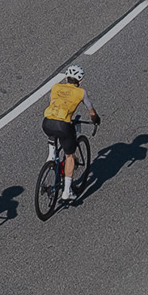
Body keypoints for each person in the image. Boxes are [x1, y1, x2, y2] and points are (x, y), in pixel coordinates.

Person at [42, 65, 101, 202]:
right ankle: (67, 192)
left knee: (53, 131)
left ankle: (51, 156)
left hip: (46, 122)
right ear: (80, 81)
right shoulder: (81, 92)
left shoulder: (56, 87)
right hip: (63, 125)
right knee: (69, 155)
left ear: (66, 78)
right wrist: (96, 120)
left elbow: (54, 103)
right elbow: (91, 111)